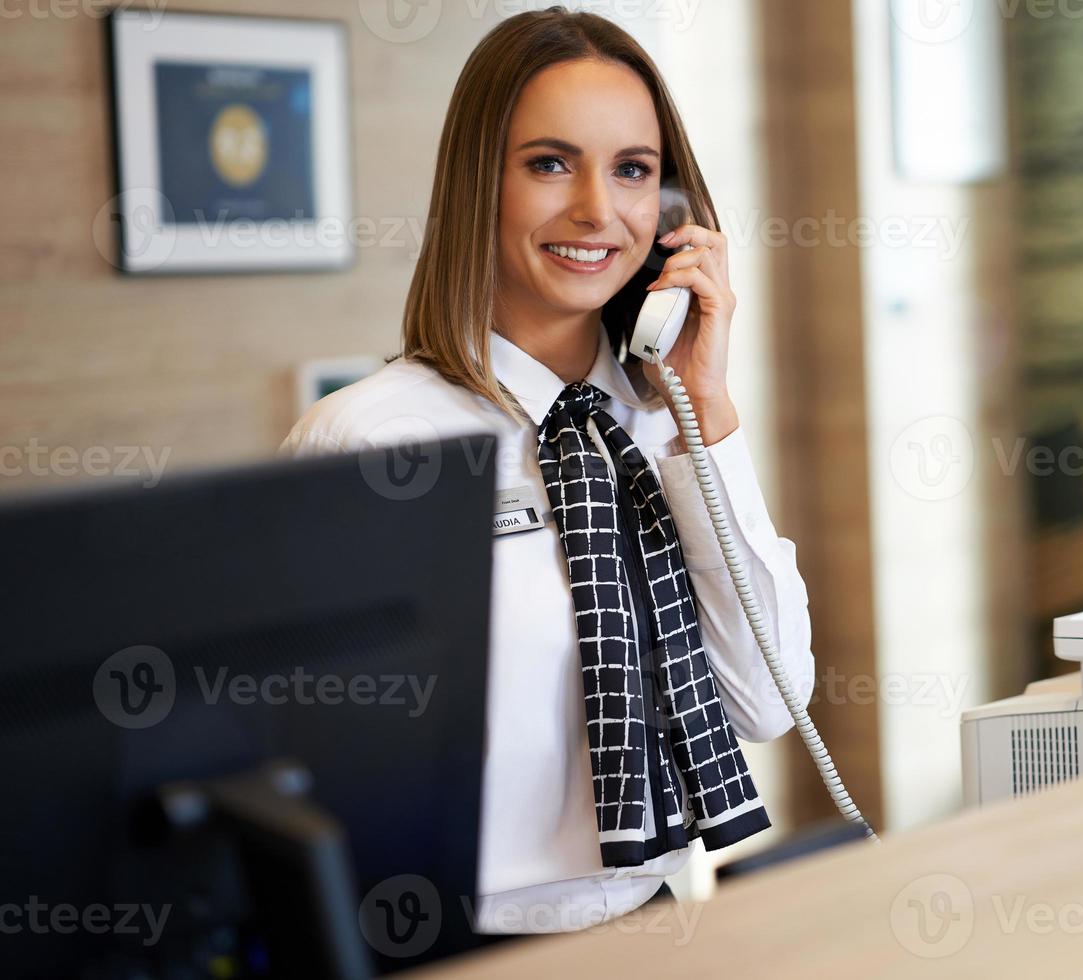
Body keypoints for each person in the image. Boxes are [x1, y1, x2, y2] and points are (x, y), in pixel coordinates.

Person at [281, 8, 814, 935]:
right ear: (477, 183)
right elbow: (308, 766)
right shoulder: (370, 443)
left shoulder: (664, 426)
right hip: (451, 937)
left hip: (653, 919)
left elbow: (766, 702)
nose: (597, 212)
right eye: (550, 163)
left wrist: (709, 416)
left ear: (671, 212)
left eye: (633, 171)